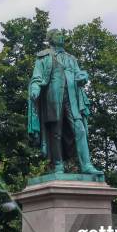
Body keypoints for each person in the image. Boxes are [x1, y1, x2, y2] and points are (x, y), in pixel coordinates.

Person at [27, 29, 103, 175]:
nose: (61, 36)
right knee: (56, 133)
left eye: (62, 34)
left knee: (80, 130)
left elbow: (79, 73)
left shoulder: (71, 58)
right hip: (53, 98)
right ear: (50, 39)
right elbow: (36, 77)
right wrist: (35, 89)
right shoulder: (44, 57)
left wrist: (83, 77)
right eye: (57, 34)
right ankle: (58, 165)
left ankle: (86, 165)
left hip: (73, 99)